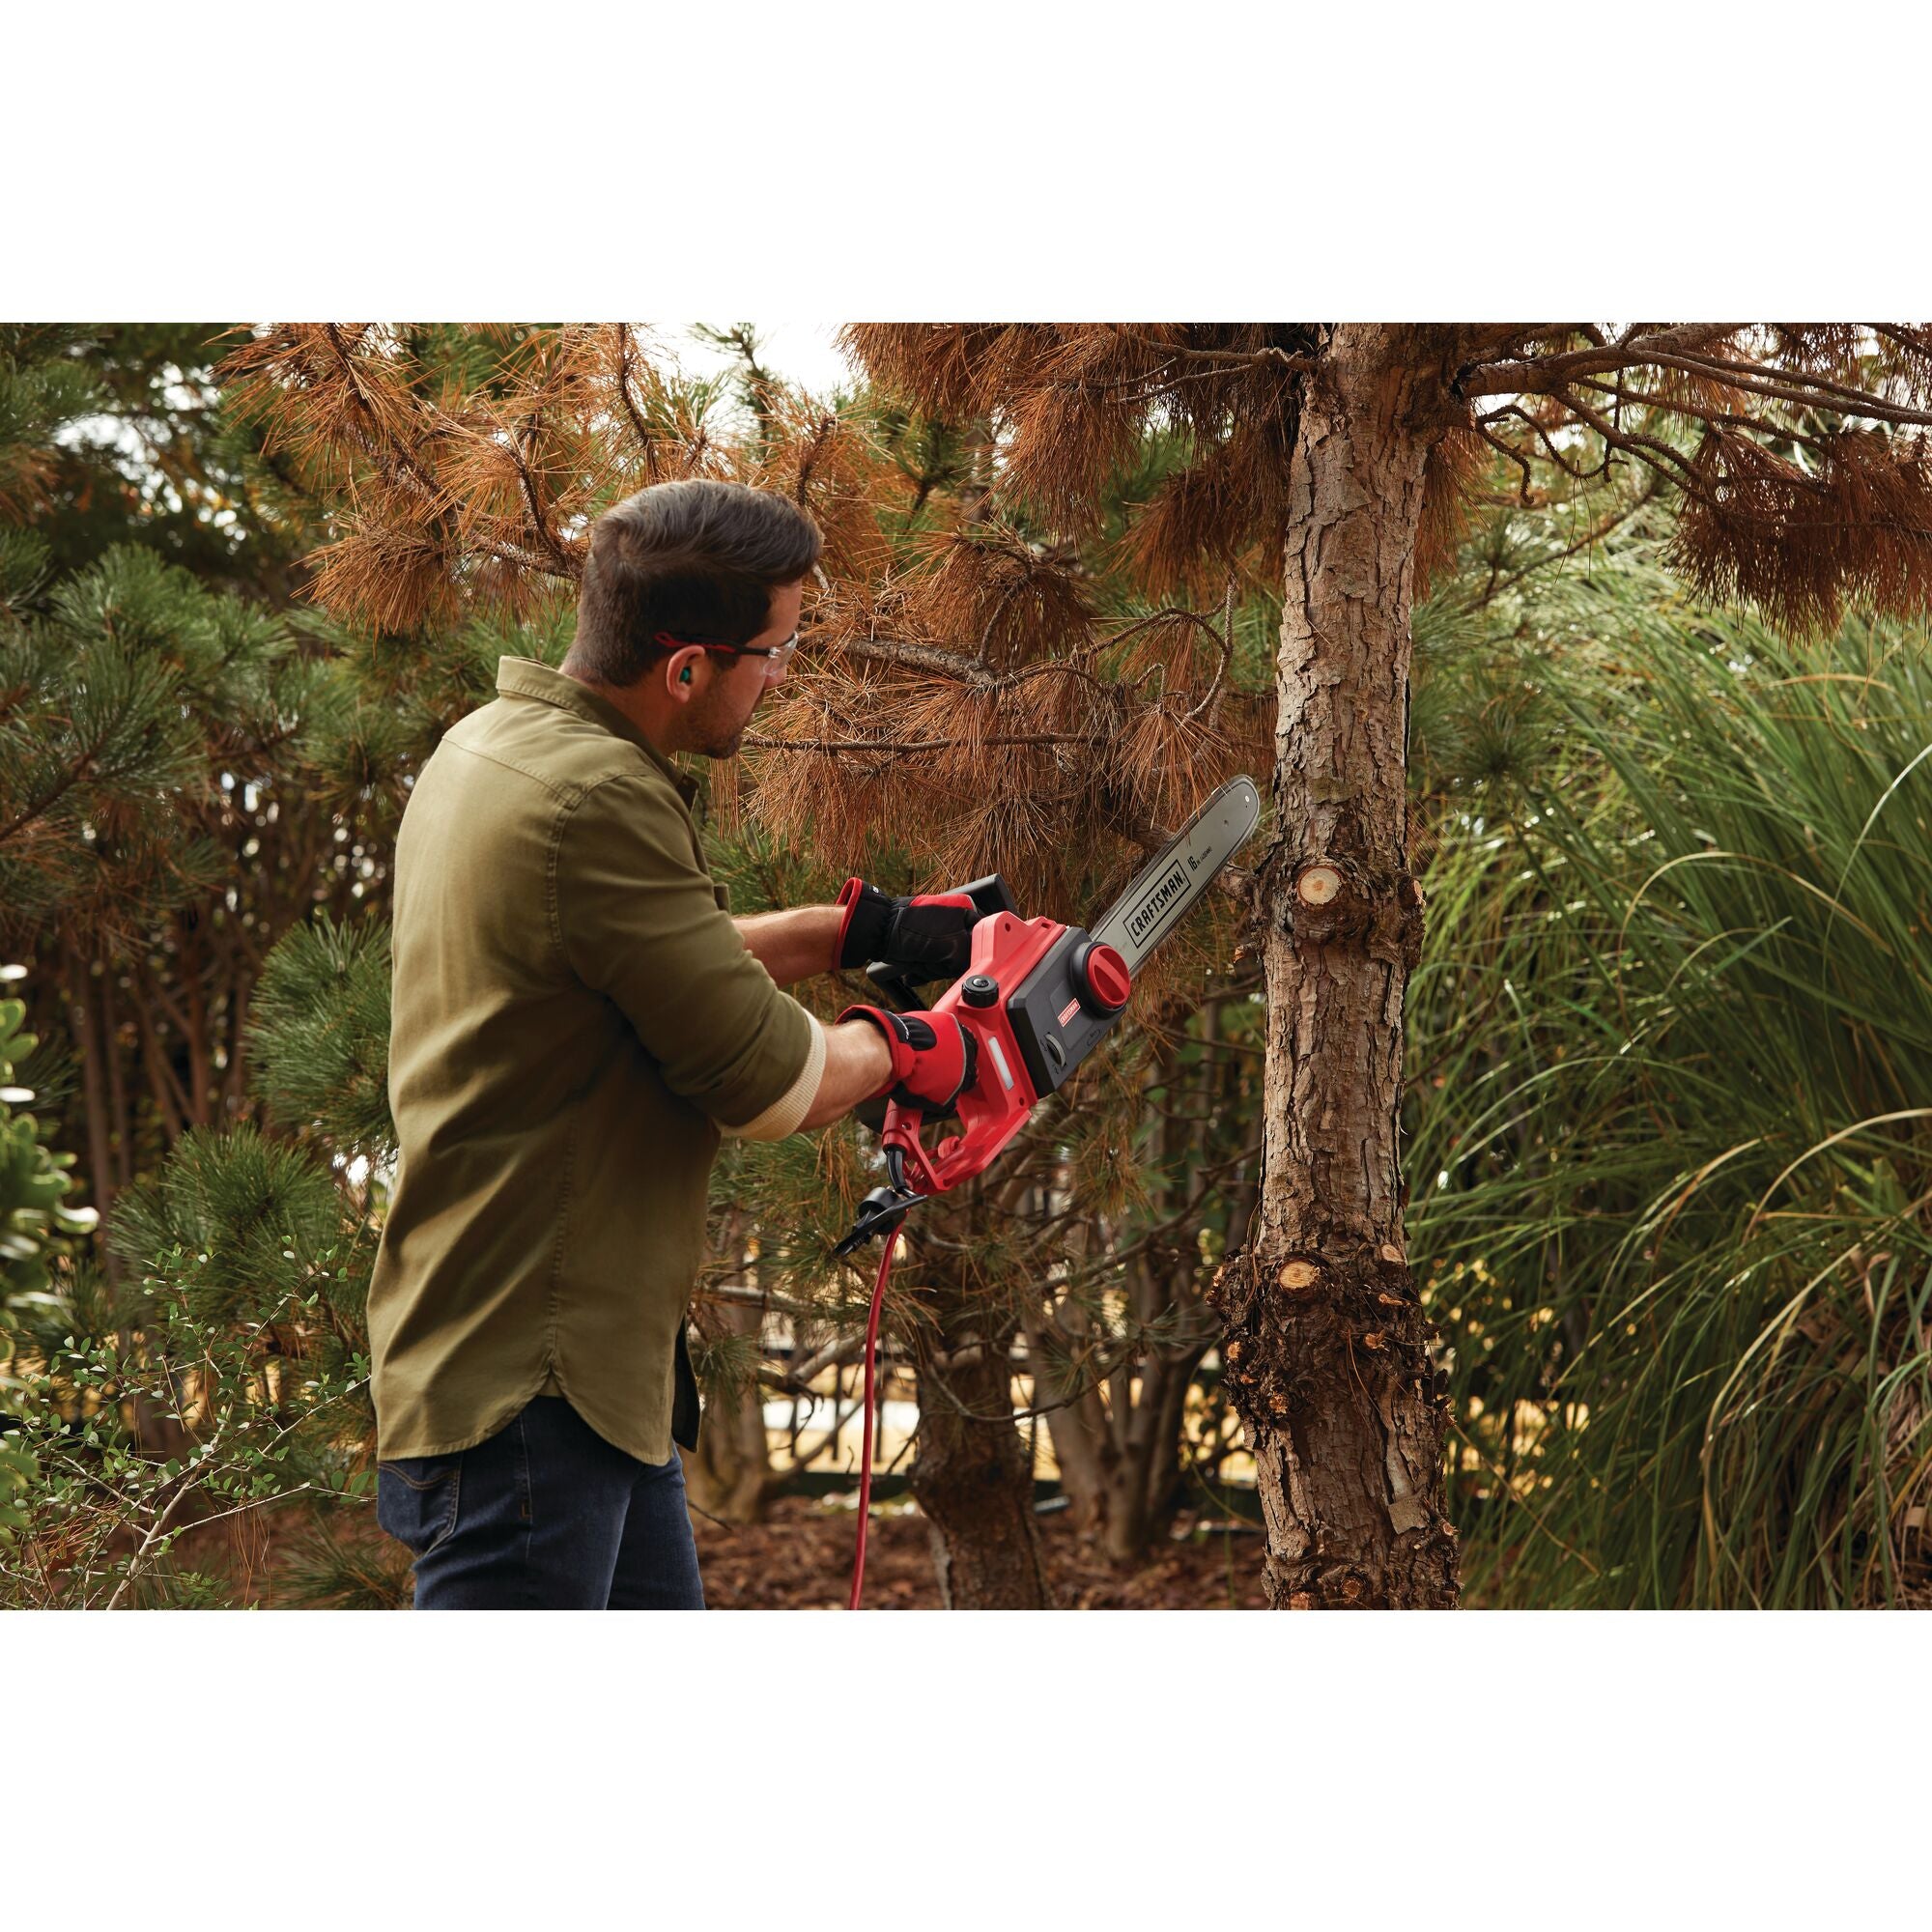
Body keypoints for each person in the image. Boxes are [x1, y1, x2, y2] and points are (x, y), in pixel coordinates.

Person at [368, 479, 980, 1609]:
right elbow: (772, 1081)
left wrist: (852, 930)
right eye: (772, 651)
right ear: (686, 666)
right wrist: (918, 1039)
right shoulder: (600, 797)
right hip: (530, 1390)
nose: (781, 674)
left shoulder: (496, 748)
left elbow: (629, 956)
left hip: (582, 1377)